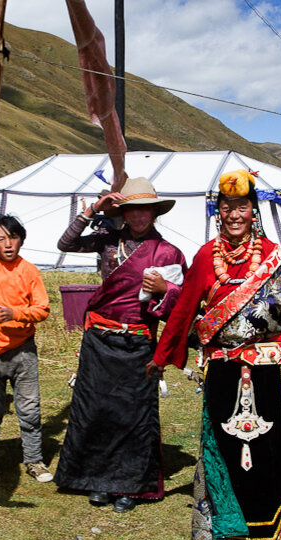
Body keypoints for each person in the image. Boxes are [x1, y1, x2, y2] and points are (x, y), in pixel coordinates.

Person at [149, 170, 281, 540]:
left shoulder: (274, 256)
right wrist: (159, 359)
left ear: (253, 211)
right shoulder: (207, 256)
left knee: (267, 451)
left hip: (269, 370)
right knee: (218, 452)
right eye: (227, 208)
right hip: (223, 369)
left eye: (242, 207)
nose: (235, 215)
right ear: (218, 212)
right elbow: (184, 311)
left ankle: (266, 534)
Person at [53, 177, 186, 513]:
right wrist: (94, 209)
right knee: (95, 409)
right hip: (100, 338)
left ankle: (130, 485)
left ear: (155, 212)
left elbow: (181, 304)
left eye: (145, 209)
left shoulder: (168, 252)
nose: (139, 215)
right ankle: (95, 479)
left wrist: (163, 289)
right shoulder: (108, 241)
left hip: (138, 342)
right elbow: (65, 243)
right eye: (132, 209)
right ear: (123, 212)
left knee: (133, 414)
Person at [0, 215, 52, 485]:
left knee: (29, 410)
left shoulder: (30, 271)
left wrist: (14, 312)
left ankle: (33, 460)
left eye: (13, 237)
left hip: (23, 352)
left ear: (21, 239)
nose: (8, 244)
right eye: (0, 239)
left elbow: (43, 309)